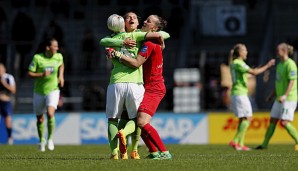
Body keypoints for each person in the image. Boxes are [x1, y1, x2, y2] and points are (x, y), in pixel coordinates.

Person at [101, 11, 170, 160]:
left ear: (154, 28)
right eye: (144, 20)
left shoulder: (143, 40)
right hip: (139, 85)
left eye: (148, 21)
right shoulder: (138, 37)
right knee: (134, 119)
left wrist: (117, 53)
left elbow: (136, 62)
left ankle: (159, 152)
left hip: (147, 85)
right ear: (123, 23)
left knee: (133, 120)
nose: (144, 21)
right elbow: (165, 35)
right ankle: (144, 151)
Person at [228, 43, 275, 151]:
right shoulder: (239, 63)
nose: (246, 52)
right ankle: (235, 140)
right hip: (240, 94)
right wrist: (267, 66)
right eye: (244, 50)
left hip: (236, 93)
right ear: (239, 52)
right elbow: (253, 72)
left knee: (242, 119)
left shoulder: (233, 63)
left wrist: (259, 69)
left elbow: (247, 74)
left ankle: (240, 144)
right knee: (248, 118)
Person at [256, 43, 298, 150]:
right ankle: (264, 145)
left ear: (284, 51)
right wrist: (272, 95)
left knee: (284, 122)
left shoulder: (290, 64)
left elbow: (292, 81)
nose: (276, 52)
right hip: (279, 98)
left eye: (278, 50)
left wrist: (285, 95)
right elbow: (279, 83)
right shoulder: (280, 65)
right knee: (273, 120)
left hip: (288, 98)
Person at [28, 38, 64, 152]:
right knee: (39, 119)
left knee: (50, 113)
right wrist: (41, 74)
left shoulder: (58, 56)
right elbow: (29, 73)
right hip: (39, 91)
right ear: (48, 48)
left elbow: (62, 64)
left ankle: (50, 139)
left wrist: (61, 76)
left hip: (53, 90)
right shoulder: (37, 58)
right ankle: (41, 140)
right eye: (55, 46)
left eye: (57, 46)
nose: (57, 48)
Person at [0, 63, 16, 145]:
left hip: (6, 102)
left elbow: (13, 90)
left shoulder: (9, 77)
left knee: (8, 121)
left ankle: (10, 138)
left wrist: (4, 83)